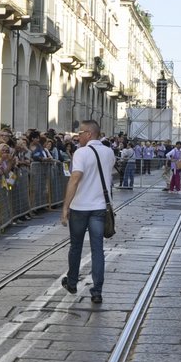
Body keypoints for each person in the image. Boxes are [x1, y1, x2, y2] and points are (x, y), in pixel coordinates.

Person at [60, 118, 114, 306]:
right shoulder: (109, 152)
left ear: (89, 134)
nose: (78, 137)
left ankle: (72, 282)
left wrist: (65, 207)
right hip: (100, 207)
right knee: (97, 248)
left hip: (80, 207)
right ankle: (97, 291)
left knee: (76, 246)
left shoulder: (81, 153)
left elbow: (75, 179)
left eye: (80, 133)